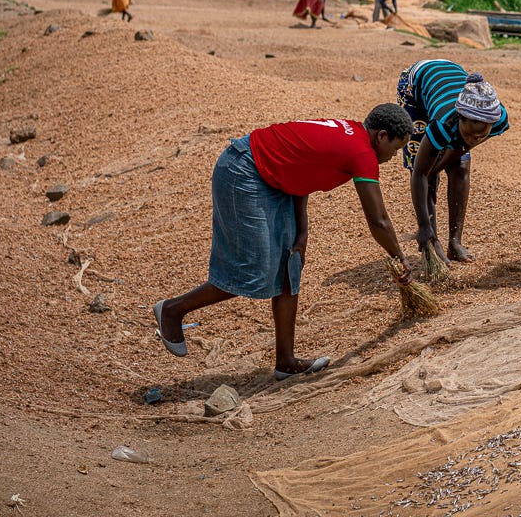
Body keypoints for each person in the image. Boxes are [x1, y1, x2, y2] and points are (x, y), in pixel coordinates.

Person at [152, 104, 416, 379]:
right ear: (382, 136)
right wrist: (400, 257)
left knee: (290, 265)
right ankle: (172, 310)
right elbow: (379, 220)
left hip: (271, 178)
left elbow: (302, 171)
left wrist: (302, 232)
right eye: (396, 149)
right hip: (245, 171)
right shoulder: (362, 153)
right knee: (251, 273)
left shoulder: (351, 132)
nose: (393, 156)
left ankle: (285, 362)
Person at [397, 61, 509, 264]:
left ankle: (454, 243)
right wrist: (424, 226)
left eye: (480, 136)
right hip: (415, 87)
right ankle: (433, 241)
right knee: (427, 174)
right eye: (468, 133)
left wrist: (444, 161)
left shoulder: (498, 118)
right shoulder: (442, 124)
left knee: (461, 168)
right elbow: (420, 174)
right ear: (459, 119)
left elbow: (462, 148)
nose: (473, 139)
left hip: (449, 78)